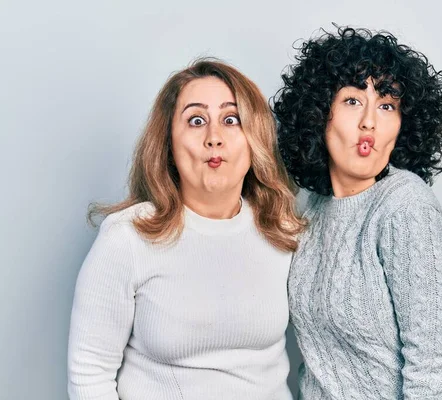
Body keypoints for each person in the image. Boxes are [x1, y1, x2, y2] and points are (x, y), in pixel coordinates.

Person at [67, 59, 305, 399]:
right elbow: (89, 371)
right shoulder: (128, 237)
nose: (214, 138)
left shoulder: (284, 231)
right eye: (196, 121)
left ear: (255, 137)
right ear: (168, 144)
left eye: (231, 119)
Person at [274, 27, 442, 399]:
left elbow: (434, 372)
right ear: (321, 114)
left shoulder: (406, 207)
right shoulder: (310, 207)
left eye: (387, 105)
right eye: (353, 101)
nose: (370, 120)